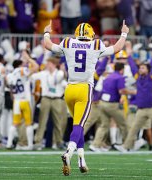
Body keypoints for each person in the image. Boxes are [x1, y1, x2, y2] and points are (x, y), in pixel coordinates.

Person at [43, 20, 129, 175]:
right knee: (78, 125)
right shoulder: (95, 45)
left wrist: (46, 32)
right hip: (84, 89)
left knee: (79, 125)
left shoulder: (68, 42)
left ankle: (81, 160)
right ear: (90, 34)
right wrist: (124, 33)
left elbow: (48, 45)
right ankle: (68, 152)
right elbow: (117, 48)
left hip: (69, 89)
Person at [121, 45, 152, 152]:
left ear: (148, 70)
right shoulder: (137, 77)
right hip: (141, 109)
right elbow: (132, 66)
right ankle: (126, 147)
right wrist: (129, 54)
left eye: (142, 68)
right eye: (140, 68)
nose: (140, 69)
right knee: (134, 129)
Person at [91, 62, 134, 152]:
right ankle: (126, 145)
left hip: (102, 103)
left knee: (103, 125)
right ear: (122, 70)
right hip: (112, 105)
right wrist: (133, 92)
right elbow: (121, 91)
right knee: (123, 124)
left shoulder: (108, 77)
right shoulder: (120, 77)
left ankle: (95, 145)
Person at [6, 55, 39, 150]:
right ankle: (30, 145)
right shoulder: (22, 70)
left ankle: (8, 144)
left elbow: (10, 89)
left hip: (16, 101)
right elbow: (36, 67)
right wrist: (29, 58)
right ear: (20, 65)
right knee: (28, 123)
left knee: (15, 123)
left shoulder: (10, 75)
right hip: (25, 100)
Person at [32, 57, 66, 150]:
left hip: (57, 99)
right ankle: (38, 142)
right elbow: (33, 77)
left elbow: (59, 79)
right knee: (42, 120)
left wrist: (63, 71)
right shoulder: (43, 73)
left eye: (49, 63)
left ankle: (59, 142)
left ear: (54, 64)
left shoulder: (59, 73)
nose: (47, 65)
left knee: (58, 121)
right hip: (46, 98)